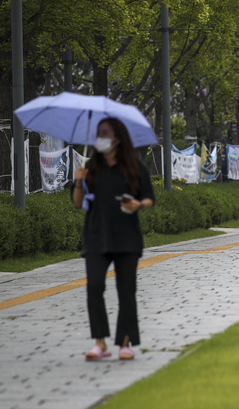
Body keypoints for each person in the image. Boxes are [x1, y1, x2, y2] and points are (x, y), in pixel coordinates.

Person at [72, 118, 155, 361]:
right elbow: (77, 203)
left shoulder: (134, 168)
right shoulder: (90, 169)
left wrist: (137, 204)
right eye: (98, 133)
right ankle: (100, 342)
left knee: (126, 291)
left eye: (105, 133)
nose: (101, 137)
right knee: (94, 287)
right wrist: (79, 180)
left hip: (127, 239)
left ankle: (125, 343)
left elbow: (149, 198)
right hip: (96, 237)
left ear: (117, 138)